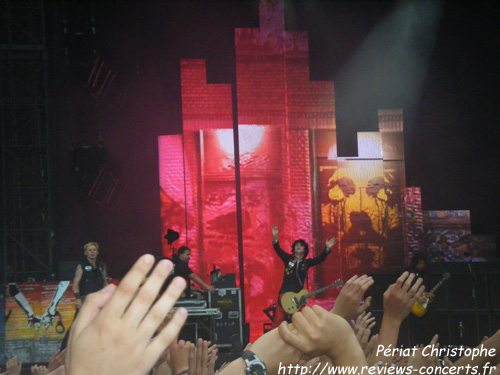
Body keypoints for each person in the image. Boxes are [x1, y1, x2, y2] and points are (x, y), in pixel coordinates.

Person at [270, 225, 336, 329]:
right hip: (285, 294)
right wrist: (275, 236)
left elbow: (320, 259)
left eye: (301, 246)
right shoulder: (288, 259)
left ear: (304, 250)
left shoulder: (306, 263)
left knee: (302, 321)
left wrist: (327, 248)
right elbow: (277, 249)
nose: (298, 247)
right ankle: (268, 342)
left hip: (298, 297)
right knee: (277, 322)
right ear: (293, 249)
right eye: (296, 245)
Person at [61, 241, 108, 350]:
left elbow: (105, 282)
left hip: (99, 300)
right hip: (85, 300)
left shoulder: (101, 266)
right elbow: (76, 283)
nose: (92, 252)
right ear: (85, 253)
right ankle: (64, 350)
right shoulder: (81, 266)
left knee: (101, 324)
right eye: (90, 250)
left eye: (94, 250)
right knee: (77, 325)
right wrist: (78, 299)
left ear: (97, 252)